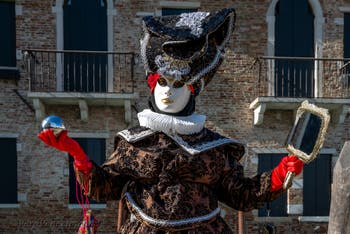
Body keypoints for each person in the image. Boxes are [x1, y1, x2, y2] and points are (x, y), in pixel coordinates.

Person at [38, 8, 303, 233]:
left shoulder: (214, 147)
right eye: (162, 82)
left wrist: (281, 173)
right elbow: (105, 187)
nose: (167, 91)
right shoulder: (133, 143)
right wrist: (77, 154)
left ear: (192, 90)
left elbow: (242, 195)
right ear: (152, 85)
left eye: (178, 84)